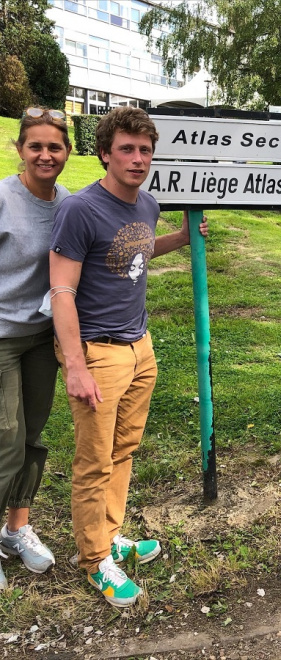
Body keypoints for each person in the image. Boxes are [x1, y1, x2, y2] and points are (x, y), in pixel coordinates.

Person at [49, 107, 207, 608]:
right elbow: (61, 291)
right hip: (97, 352)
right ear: (104, 153)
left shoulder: (148, 204)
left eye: (145, 150)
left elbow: (132, 253)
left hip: (141, 348)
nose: (138, 159)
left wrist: (179, 239)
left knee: (123, 450)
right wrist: (75, 364)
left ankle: (109, 533)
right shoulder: (80, 210)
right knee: (95, 461)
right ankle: (95, 562)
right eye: (127, 149)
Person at [0, 107, 72, 590]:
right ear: (20, 149)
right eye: (36, 146)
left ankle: (16, 528)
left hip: (43, 337)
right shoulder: (3, 197)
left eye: (55, 146)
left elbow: (110, 254)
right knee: (4, 438)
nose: (45, 155)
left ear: (67, 152)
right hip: (2, 336)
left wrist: (180, 237)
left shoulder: (68, 202)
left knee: (33, 436)